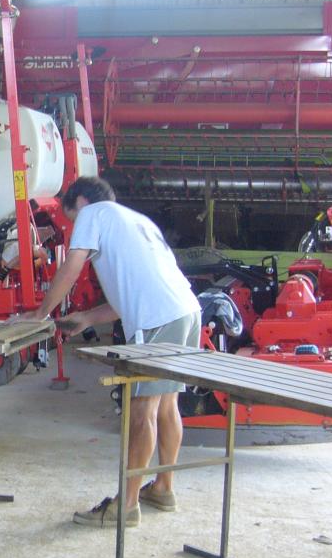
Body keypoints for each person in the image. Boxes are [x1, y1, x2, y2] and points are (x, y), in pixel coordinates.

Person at [27, 176, 201, 529]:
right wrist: (88, 317)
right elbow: (130, 296)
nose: (76, 227)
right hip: (186, 310)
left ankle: (127, 505)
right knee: (167, 405)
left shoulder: (93, 215)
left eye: (72, 218)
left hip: (158, 319)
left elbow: (71, 268)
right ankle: (163, 488)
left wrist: (40, 313)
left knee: (142, 411)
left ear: (81, 204)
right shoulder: (137, 221)